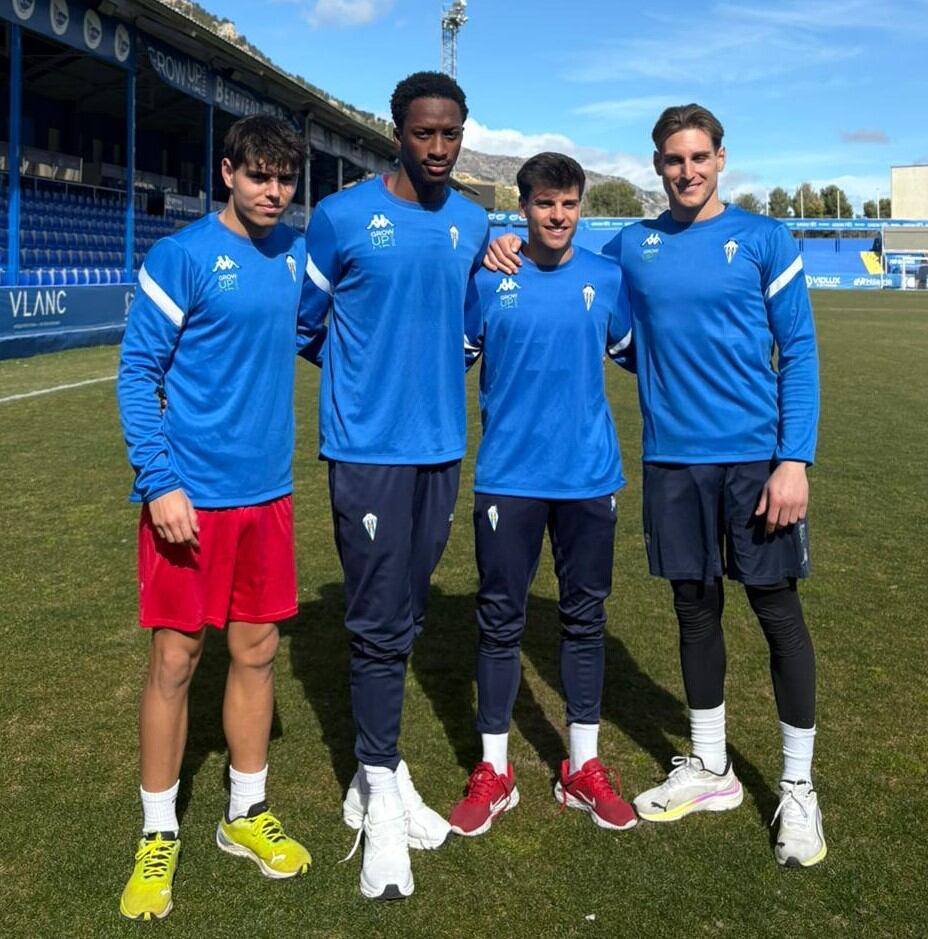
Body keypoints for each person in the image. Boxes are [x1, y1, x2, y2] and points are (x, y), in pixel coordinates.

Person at [485, 104, 824, 868]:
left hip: (756, 460)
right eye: (674, 159)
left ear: (721, 159)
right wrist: (496, 240)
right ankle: (711, 766)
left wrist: (794, 458)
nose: (687, 171)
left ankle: (798, 786)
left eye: (699, 157)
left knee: (777, 613)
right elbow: (561, 251)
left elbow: (799, 351)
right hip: (673, 460)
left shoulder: (765, 239)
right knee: (694, 612)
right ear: (657, 165)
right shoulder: (633, 247)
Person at [298, 71, 490, 900]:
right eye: (424, 133)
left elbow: (473, 329)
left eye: (451, 134)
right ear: (396, 132)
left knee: (406, 612)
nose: (438, 148)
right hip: (368, 451)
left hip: (441, 447)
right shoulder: (341, 217)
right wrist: (365, 380)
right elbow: (305, 325)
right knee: (379, 622)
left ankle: (377, 773)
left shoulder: (474, 222)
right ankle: (380, 799)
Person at [116, 115, 314, 921]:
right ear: (227, 173)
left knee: (257, 651)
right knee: (176, 658)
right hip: (189, 500)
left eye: (285, 178)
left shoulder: (295, 255)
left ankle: (245, 812)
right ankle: (158, 831)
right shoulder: (184, 255)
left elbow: (333, 324)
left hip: (267, 495)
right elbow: (137, 371)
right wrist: (158, 481)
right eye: (259, 174)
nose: (274, 191)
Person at [447, 152, 637, 838]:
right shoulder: (488, 276)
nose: (558, 216)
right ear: (523, 207)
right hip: (509, 478)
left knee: (585, 619)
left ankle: (582, 766)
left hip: (589, 477)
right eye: (545, 203)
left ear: (580, 207)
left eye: (569, 203)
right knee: (500, 621)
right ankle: (494, 770)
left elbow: (641, 355)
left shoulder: (606, 278)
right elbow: (449, 361)